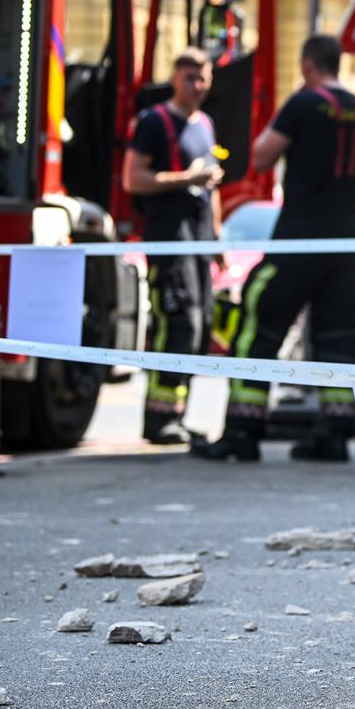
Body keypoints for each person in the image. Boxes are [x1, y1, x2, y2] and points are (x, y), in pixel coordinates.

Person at [191, 35, 355, 462]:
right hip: (347, 242)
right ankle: (333, 434)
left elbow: (261, 157)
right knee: (337, 338)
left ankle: (243, 431)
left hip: (300, 238)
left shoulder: (303, 104)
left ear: (306, 64)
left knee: (259, 326)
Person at [122, 48, 223, 445]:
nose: (196, 86)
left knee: (200, 330)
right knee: (178, 323)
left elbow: (210, 187)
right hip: (169, 237)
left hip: (199, 240)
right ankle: (158, 417)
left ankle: (178, 415)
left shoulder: (206, 125)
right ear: (174, 78)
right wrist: (184, 178)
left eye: (202, 78)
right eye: (189, 78)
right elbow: (133, 179)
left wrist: (216, 238)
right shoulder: (154, 122)